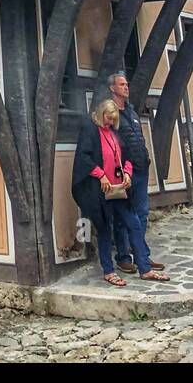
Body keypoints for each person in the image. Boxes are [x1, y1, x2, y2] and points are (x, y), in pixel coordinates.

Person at [71, 99, 170, 286]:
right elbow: (83, 158)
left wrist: (127, 173)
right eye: (108, 118)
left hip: (120, 190)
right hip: (102, 191)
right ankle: (108, 271)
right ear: (101, 114)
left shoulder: (114, 133)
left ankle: (144, 268)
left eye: (113, 119)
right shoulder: (91, 130)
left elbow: (126, 157)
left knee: (134, 225)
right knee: (105, 230)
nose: (109, 122)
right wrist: (101, 175)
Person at [107, 71, 164, 275]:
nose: (126, 87)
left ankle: (142, 255)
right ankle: (123, 257)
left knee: (142, 213)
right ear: (113, 88)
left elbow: (138, 137)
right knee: (123, 217)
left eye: (126, 84)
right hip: (122, 173)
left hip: (140, 169)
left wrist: (145, 157)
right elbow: (108, 143)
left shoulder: (131, 111)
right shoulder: (110, 113)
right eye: (122, 84)